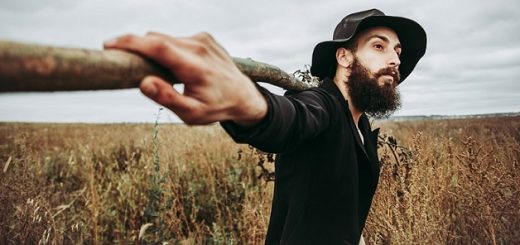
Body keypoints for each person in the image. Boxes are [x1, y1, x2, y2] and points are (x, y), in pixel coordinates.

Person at [104, 8, 426, 245]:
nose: (396, 60)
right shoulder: (323, 107)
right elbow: (291, 117)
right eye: (379, 46)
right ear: (344, 57)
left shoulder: (361, 126)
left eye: (398, 51)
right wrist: (245, 99)